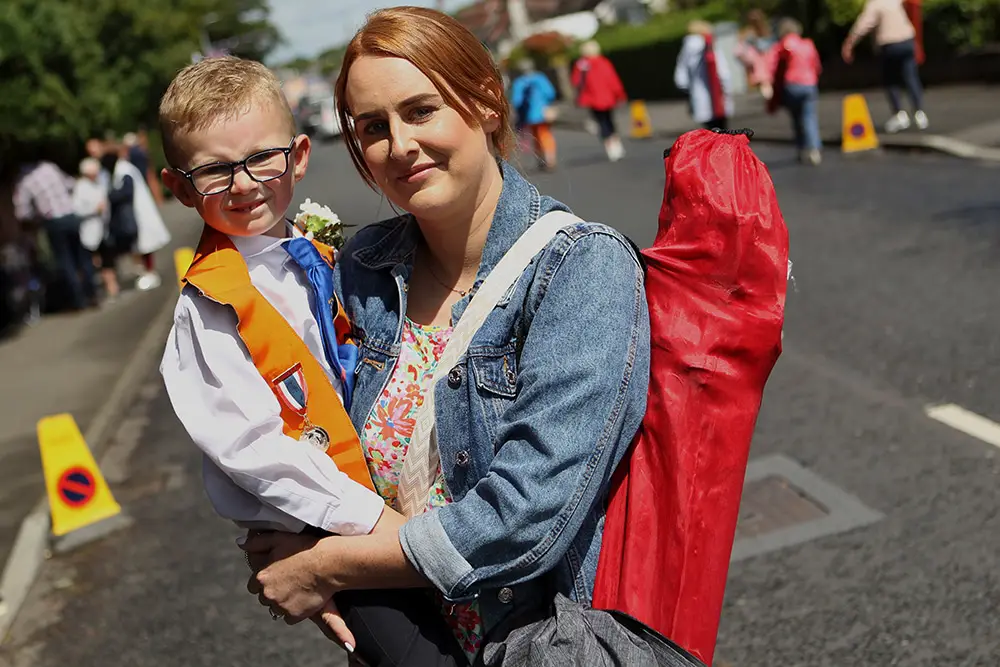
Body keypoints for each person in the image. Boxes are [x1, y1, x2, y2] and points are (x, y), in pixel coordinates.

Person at [238, 7, 650, 666]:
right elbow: (308, 434)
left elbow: (524, 519)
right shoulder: (361, 268)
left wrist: (327, 566)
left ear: (485, 101)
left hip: (533, 644)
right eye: (374, 127)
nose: (399, 145)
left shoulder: (580, 268)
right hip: (398, 642)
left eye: (421, 110)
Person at [157, 56, 469, 667]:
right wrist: (372, 521)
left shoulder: (313, 249)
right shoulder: (212, 303)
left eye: (260, 159)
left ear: (298, 157)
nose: (244, 184)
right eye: (214, 171)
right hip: (322, 522)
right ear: (179, 187)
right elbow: (250, 447)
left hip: (380, 501)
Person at [13, 159, 97, 311]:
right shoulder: (49, 167)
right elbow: (70, 184)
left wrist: (35, 216)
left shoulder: (25, 182)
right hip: (70, 215)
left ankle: (79, 300)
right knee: (82, 255)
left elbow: (23, 213)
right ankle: (91, 293)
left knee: (65, 261)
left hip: (53, 222)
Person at [842, 0, 928, 133]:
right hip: (907, 40)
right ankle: (919, 113)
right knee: (911, 78)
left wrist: (849, 43)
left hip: (890, 44)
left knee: (891, 80)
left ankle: (899, 114)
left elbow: (864, 24)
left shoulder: (875, 4)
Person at [111, 141, 171, 291]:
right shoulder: (125, 168)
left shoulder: (123, 169)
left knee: (145, 244)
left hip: (138, 211)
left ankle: (150, 273)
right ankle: (148, 272)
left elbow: (126, 191)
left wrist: (111, 196)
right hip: (138, 210)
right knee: (143, 244)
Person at [768, 18, 823, 165]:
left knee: (796, 119)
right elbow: (817, 66)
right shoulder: (808, 44)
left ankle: (801, 148)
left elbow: (772, 68)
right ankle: (814, 150)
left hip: (791, 85)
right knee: (809, 117)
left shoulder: (779, 47)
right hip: (809, 84)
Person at [571, 40, 628, 161]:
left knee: (601, 122)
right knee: (610, 120)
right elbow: (613, 79)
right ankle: (617, 145)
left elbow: (576, 81)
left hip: (592, 99)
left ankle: (610, 148)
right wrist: (620, 94)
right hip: (607, 98)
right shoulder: (604, 62)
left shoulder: (581, 64)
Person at [675, 20, 733, 131]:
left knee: (710, 132)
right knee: (724, 132)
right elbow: (723, 72)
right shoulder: (711, 45)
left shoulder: (686, 49)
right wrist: (727, 89)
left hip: (699, 99)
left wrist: (690, 91)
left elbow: (681, 79)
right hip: (718, 98)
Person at [509, 59, 558, 170]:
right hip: (542, 112)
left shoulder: (519, 82)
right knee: (545, 134)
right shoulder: (540, 78)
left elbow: (517, 100)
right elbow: (550, 93)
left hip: (528, 115)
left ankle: (540, 158)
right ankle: (550, 158)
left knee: (535, 136)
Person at [72, 158, 109, 289]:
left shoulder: (98, 183)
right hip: (90, 229)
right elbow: (77, 210)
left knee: (107, 260)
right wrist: (95, 209)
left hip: (103, 227)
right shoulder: (80, 187)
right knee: (91, 262)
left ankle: (111, 287)